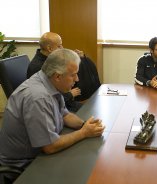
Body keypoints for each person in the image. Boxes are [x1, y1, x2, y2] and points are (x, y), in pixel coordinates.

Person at [0, 49, 105, 183]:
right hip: (22, 167)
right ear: (57, 76)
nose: (77, 79)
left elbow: (65, 115)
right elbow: (50, 146)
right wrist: (83, 133)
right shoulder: (38, 97)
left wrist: (85, 125)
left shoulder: (48, 82)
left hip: (38, 155)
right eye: (73, 75)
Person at [27, 32, 101, 112]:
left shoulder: (51, 59)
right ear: (49, 48)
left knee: (84, 61)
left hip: (64, 102)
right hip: (56, 107)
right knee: (91, 111)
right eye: (59, 46)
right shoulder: (38, 67)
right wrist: (69, 94)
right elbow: (47, 97)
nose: (62, 48)